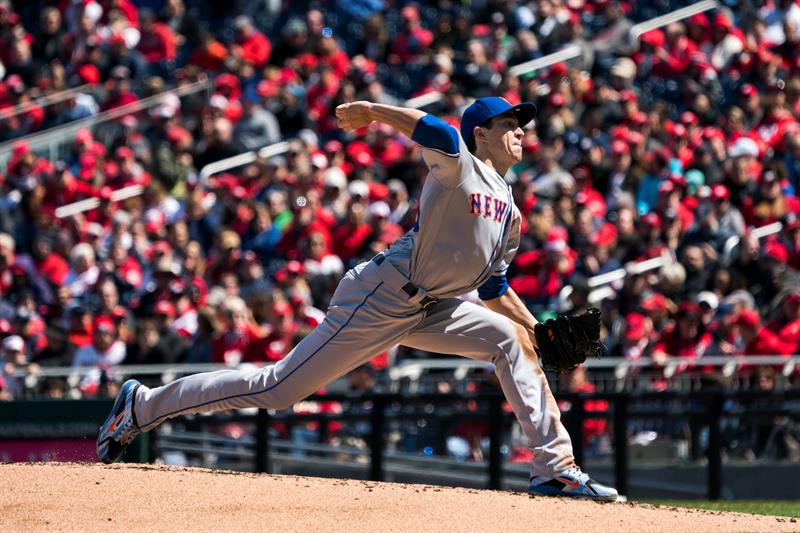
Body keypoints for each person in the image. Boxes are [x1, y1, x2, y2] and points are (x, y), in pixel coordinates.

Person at [97, 97, 618, 501]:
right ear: (481, 134)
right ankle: (141, 406)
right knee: (277, 389)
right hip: (384, 295)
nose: (521, 130)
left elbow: (493, 287)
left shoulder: (510, 210)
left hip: (438, 306)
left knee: (511, 341)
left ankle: (556, 470)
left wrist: (536, 326)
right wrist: (372, 111)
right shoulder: (460, 166)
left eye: (521, 123)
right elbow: (435, 129)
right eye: (509, 124)